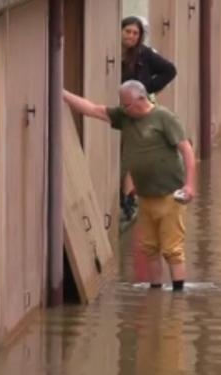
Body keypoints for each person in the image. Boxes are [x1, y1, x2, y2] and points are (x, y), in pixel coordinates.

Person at [63, 80, 195, 291]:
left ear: (142, 99)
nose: (124, 109)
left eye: (128, 105)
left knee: (172, 249)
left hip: (170, 194)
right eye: (122, 105)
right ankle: (156, 292)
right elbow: (92, 109)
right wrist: (62, 93)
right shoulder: (125, 117)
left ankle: (178, 295)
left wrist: (189, 185)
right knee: (150, 248)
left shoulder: (164, 118)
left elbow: (186, 150)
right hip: (145, 195)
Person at [119, 15, 178, 225]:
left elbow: (170, 70)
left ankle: (128, 200)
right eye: (127, 32)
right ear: (120, 31)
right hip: (118, 109)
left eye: (135, 33)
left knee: (133, 152)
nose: (131, 37)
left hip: (138, 110)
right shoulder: (113, 52)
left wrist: (147, 88)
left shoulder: (144, 54)